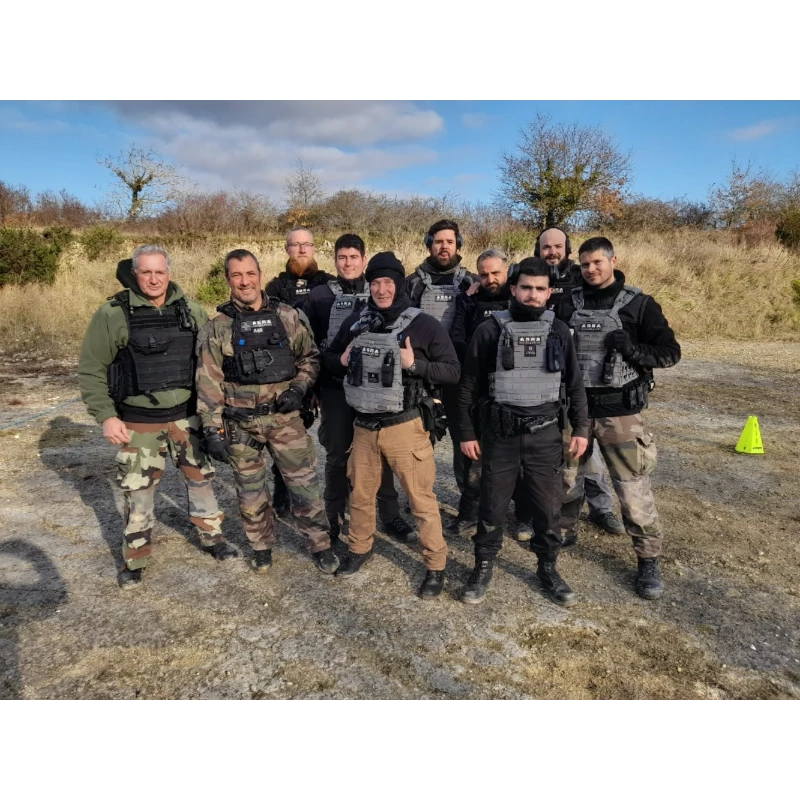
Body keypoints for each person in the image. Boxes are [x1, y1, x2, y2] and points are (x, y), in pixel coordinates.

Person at [78, 246, 236, 588]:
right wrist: (106, 416)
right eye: (146, 272)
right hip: (139, 422)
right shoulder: (112, 314)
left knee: (202, 482)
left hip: (187, 418)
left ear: (169, 273)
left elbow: (211, 364)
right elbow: (91, 369)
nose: (153, 279)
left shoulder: (191, 310)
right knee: (139, 493)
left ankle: (214, 539)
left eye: (160, 272)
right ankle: (135, 559)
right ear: (135, 274)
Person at [323, 252, 461, 598]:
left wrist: (415, 365)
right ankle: (359, 548)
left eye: (388, 282)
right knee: (360, 495)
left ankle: (435, 565)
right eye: (376, 283)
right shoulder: (356, 322)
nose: (382, 290)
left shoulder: (424, 324)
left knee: (421, 500)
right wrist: (340, 361)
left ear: (399, 284)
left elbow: (452, 371)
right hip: (364, 426)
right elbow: (329, 360)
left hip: (405, 425)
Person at [195, 248, 338, 575]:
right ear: (228, 279)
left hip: (285, 419)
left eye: (250, 274)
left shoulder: (287, 316)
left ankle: (320, 544)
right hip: (240, 424)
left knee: (304, 486)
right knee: (250, 492)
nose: (244, 281)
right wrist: (211, 429)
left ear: (260, 276)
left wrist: (298, 389)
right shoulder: (217, 328)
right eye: (237, 275)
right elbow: (208, 382)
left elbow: (310, 359)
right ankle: (261, 546)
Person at [457, 258, 588, 606]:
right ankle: (483, 566)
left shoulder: (559, 330)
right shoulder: (489, 330)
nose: (532, 294)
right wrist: (467, 433)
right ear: (513, 289)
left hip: (545, 435)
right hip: (499, 435)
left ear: (549, 293)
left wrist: (582, 427)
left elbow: (575, 384)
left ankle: (548, 568)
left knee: (548, 509)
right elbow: (468, 386)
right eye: (526, 287)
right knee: (492, 507)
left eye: (540, 289)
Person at [556, 236, 681, 599]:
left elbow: (670, 353)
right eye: (584, 264)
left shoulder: (640, 304)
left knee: (632, 489)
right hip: (575, 410)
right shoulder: (568, 302)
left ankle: (648, 559)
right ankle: (563, 532)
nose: (590, 269)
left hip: (621, 413)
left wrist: (633, 350)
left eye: (597, 262)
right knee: (565, 479)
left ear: (613, 261)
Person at [301, 233, 414, 544]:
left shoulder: (381, 290)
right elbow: (308, 346)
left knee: (381, 452)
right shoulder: (319, 296)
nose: (348, 263)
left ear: (364, 260)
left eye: (353, 257)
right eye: (342, 257)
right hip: (335, 386)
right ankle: (334, 515)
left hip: (376, 388)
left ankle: (389, 515)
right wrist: (313, 387)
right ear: (334, 260)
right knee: (337, 453)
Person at [515, 227, 625, 539]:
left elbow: (611, 291)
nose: (552, 251)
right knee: (557, 455)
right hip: (547, 376)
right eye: (545, 247)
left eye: (557, 246)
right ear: (538, 250)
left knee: (588, 452)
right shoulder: (528, 275)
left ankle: (601, 507)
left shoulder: (583, 277)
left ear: (567, 248)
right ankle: (534, 511)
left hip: (588, 377)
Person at [405, 220, 478, 526]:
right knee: (419, 445)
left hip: (460, 377)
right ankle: (418, 502)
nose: (444, 247)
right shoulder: (413, 283)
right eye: (438, 241)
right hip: (422, 377)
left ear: (458, 244)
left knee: (466, 443)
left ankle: (469, 508)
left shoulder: (472, 282)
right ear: (429, 244)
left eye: (449, 241)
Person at [264, 227, 336, 516]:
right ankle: (283, 491)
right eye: (296, 245)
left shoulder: (329, 284)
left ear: (314, 248)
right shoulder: (275, 288)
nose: (302, 250)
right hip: (291, 374)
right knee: (287, 438)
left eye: (307, 244)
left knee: (336, 438)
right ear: (287, 249)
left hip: (327, 369)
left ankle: (335, 497)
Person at [446, 247, 511, 537]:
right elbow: (456, 337)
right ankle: (469, 511)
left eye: (496, 272)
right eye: (484, 274)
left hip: (510, 387)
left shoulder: (520, 295)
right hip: (475, 384)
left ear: (508, 270)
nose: (490, 279)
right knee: (469, 453)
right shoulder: (469, 299)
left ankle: (520, 513)